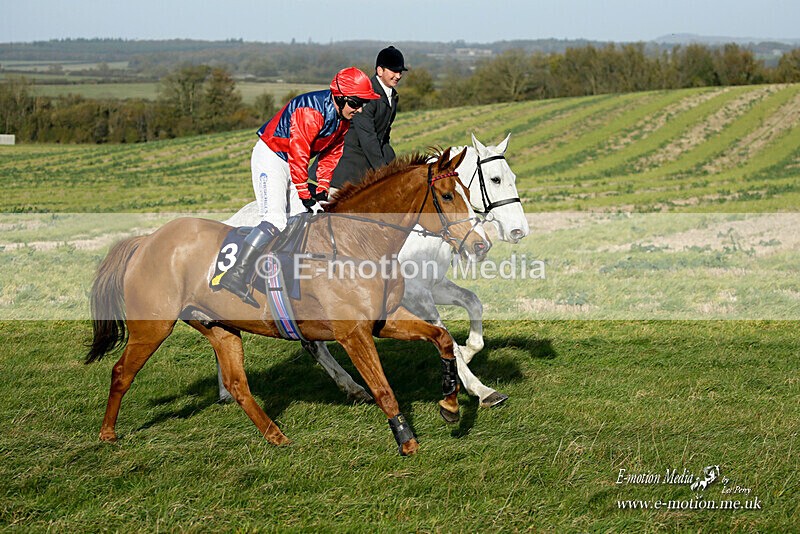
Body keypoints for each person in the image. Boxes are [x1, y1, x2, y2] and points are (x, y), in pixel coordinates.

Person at [217, 66, 380, 305]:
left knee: (303, 218)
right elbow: (299, 155)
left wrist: (322, 189)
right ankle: (236, 274)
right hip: (272, 156)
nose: (360, 109)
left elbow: (331, 155)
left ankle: (285, 278)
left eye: (363, 103)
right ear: (340, 96)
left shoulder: (343, 120)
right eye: (356, 103)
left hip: (293, 161)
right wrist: (305, 194)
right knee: (275, 219)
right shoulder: (311, 112)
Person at [328, 46, 408, 190]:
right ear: (380, 70)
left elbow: (384, 138)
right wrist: (384, 172)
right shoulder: (367, 95)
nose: (398, 76)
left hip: (366, 167)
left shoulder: (393, 97)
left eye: (400, 72)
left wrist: (396, 169)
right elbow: (368, 138)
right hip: (346, 170)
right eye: (394, 71)